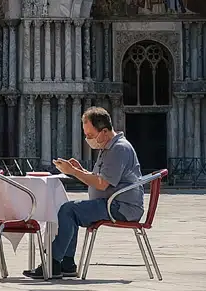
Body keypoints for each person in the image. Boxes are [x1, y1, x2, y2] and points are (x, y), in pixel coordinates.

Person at [26, 107, 144, 279]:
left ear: (104, 131)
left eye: (90, 135)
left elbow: (102, 184)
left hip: (121, 207)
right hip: (112, 204)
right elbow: (99, 178)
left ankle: (52, 263)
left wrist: (73, 172)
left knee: (68, 210)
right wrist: (78, 170)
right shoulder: (108, 147)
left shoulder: (118, 149)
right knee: (70, 211)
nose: (88, 139)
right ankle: (66, 264)